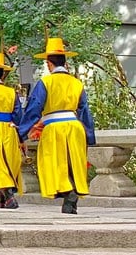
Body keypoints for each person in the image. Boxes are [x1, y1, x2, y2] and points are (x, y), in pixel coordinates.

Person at [18, 38, 94, 213]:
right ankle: (70, 201)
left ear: (48, 63)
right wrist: (89, 135)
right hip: (75, 126)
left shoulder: (46, 82)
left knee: (54, 163)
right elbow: (84, 110)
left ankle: (67, 191)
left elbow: (34, 108)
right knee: (72, 162)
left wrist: (22, 132)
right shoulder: (77, 83)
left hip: (54, 126)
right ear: (65, 62)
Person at [0, 49, 25, 209]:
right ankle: (4, 196)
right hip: (9, 128)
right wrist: (21, 136)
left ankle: (7, 194)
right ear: (3, 74)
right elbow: (18, 114)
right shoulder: (11, 92)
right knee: (9, 160)